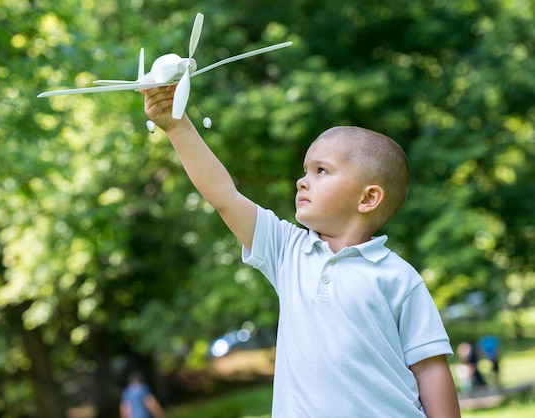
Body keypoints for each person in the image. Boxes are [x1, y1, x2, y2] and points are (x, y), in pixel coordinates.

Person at [141, 85, 460, 417]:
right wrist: (177, 126)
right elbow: (224, 196)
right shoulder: (288, 251)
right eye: (305, 170)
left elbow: (429, 368)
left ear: (367, 199)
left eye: (321, 171)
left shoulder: (398, 278)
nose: (302, 181)